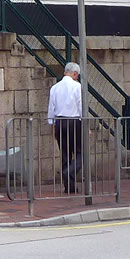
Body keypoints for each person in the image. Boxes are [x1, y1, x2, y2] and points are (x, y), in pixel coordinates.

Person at [46, 62, 82, 193]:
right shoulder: (77, 86)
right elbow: (81, 105)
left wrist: (52, 123)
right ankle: (70, 171)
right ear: (75, 73)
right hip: (74, 121)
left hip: (60, 122)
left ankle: (69, 187)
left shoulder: (55, 88)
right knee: (80, 152)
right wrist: (84, 122)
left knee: (65, 154)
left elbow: (51, 107)